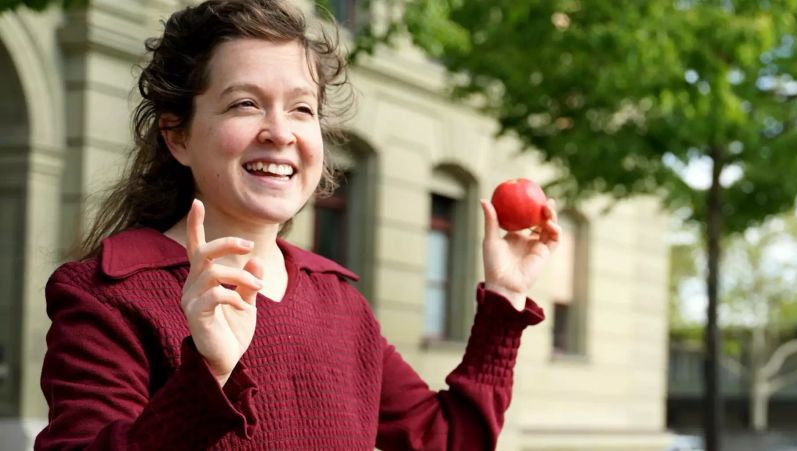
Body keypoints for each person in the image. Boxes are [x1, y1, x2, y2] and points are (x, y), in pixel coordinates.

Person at [35, 0, 560, 449]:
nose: (280, 133)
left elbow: (447, 439)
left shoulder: (337, 300)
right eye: (245, 103)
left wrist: (505, 297)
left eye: (302, 109)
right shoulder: (107, 294)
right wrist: (208, 376)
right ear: (178, 136)